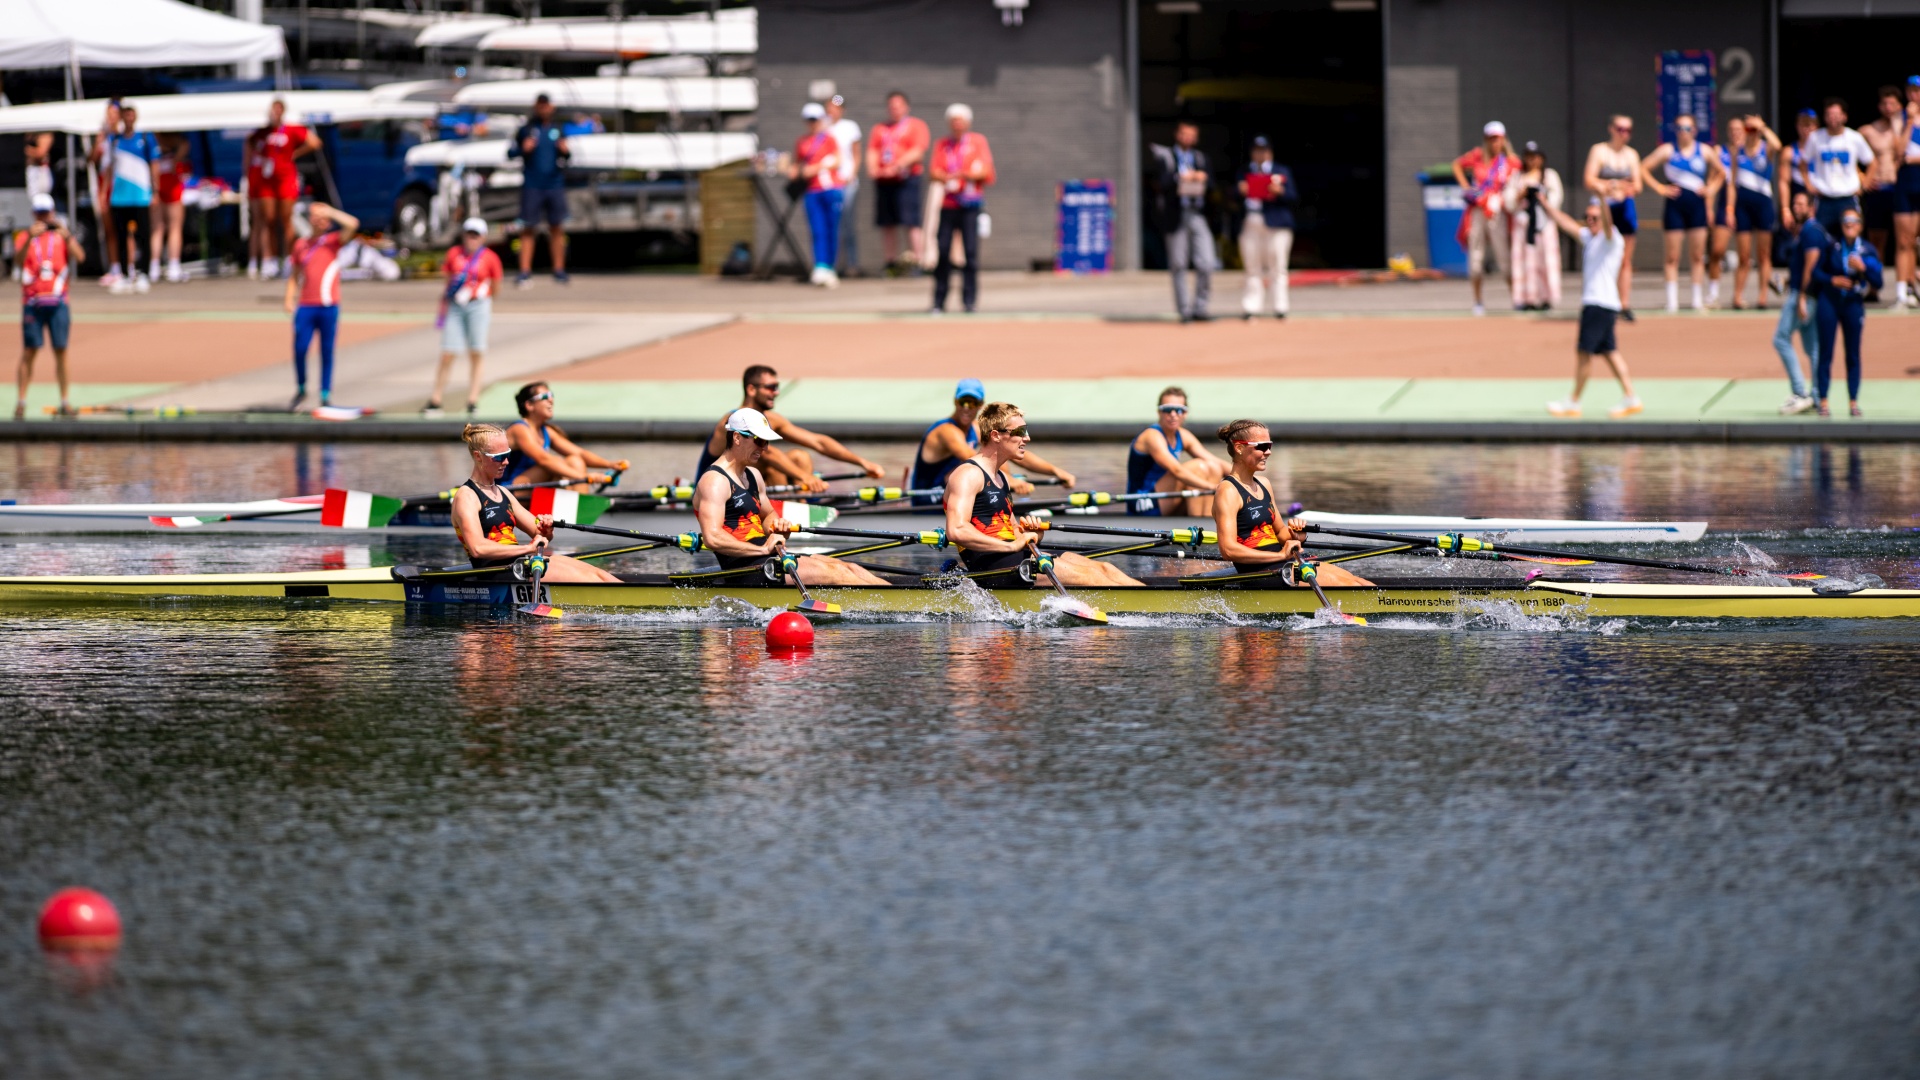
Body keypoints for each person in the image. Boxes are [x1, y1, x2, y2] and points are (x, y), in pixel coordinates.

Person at [943, 402, 1140, 587]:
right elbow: (957, 530)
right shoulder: (968, 474)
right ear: (996, 435)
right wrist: (1012, 547)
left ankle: (1159, 603)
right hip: (991, 565)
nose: (1026, 438)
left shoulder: (1001, 476)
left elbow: (1011, 529)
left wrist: (1032, 535)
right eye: (1020, 432)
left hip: (1012, 554)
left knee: (1105, 568)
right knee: (1092, 578)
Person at [693, 408, 891, 586]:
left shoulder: (753, 475)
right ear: (737, 438)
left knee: (848, 567)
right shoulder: (715, 481)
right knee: (835, 573)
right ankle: (894, 607)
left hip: (768, 558)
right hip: (745, 569)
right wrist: (762, 550)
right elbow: (712, 537)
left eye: (767, 441)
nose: (765, 448)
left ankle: (898, 598)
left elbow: (768, 514)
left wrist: (776, 526)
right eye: (759, 441)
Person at [451, 423, 619, 582]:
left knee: (601, 575)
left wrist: (546, 529)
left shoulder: (503, 492)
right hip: (497, 570)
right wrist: (528, 548)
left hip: (521, 563)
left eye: (508, 454)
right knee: (590, 580)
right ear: (478, 456)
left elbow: (541, 536)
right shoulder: (467, 496)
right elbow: (478, 548)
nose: (506, 462)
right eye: (499, 457)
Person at [1209, 419, 1369, 586]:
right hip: (1259, 572)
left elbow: (1280, 533)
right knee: (1352, 587)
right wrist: (1280, 555)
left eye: (1269, 446)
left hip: (1284, 562)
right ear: (1239, 448)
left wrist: (1297, 535)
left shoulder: (1264, 484)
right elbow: (1228, 550)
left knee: (1359, 582)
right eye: (1262, 446)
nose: (1268, 452)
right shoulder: (1227, 490)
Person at [696, 365, 885, 491]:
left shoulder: (772, 420)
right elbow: (768, 454)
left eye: (777, 387)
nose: (776, 393)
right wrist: (805, 477)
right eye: (770, 387)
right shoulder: (733, 421)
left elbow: (818, 442)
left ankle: (799, 509)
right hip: (715, 487)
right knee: (770, 462)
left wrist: (862, 463)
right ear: (752, 389)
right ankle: (787, 510)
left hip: (747, 484)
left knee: (800, 456)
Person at [1544, 198, 1640, 419]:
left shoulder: (1611, 238)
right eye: (1587, 217)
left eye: (1594, 217)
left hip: (1599, 304)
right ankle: (1631, 397)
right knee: (1610, 352)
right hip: (1602, 305)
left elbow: (1606, 221)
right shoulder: (1590, 238)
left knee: (1583, 352)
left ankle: (1574, 401)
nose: (1590, 221)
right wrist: (1546, 205)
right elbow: (1567, 224)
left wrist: (1601, 193)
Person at [908, 378, 1076, 504]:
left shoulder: (975, 428)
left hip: (956, 497)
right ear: (955, 402)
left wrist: (1055, 471)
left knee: (1001, 446)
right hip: (927, 502)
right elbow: (974, 459)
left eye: (973, 403)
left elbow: (1010, 449)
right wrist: (1009, 480)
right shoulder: (946, 431)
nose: (967, 407)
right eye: (963, 402)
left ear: (980, 405)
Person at [1640, 113, 1722, 312]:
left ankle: (1696, 299)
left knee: (1697, 255)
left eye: (1687, 129)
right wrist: (1660, 188)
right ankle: (1672, 301)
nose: (1683, 133)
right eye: (1679, 128)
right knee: (1672, 256)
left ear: (1694, 131)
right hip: (1674, 206)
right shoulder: (1668, 150)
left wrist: (1711, 188)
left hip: (1697, 207)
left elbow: (1722, 172)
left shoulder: (1704, 151)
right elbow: (1643, 168)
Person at [1805, 208, 1882, 418]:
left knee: (1853, 354)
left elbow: (1879, 281)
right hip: (1829, 302)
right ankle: (1823, 401)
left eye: (1854, 220)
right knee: (1825, 352)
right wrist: (1833, 280)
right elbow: (1816, 272)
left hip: (1853, 304)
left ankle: (1854, 402)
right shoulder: (1832, 246)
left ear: (1860, 225)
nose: (1849, 224)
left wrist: (1863, 268)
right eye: (1846, 220)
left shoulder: (1867, 250)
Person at [283, 202, 359, 412]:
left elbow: (353, 224)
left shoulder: (333, 241)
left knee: (327, 350)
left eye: (323, 217)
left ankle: (325, 393)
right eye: (316, 216)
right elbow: (294, 275)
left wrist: (331, 212)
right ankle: (301, 388)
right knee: (300, 348)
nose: (320, 220)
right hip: (306, 305)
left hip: (328, 305)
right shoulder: (301, 245)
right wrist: (289, 298)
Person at [426, 217, 504, 417]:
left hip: (478, 305)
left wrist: (482, 297)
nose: (471, 238)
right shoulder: (454, 254)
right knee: (448, 353)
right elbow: (447, 280)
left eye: (475, 235)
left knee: (476, 352)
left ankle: (472, 400)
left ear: (483, 237)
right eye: (469, 234)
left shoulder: (490, 257)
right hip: (456, 306)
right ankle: (436, 399)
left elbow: (496, 285)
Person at [15, 194, 82, 421]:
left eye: (47, 213)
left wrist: (68, 236)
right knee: (29, 352)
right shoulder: (25, 236)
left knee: (61, 350)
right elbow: (17, 262)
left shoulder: (61, 237)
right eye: (40, 213)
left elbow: (80, 257)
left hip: (59, 301)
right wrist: (27, 240)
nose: (44, 218)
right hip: (33, 302)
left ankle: (65, 401)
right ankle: (21, 402)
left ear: (53, 213)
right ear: (34, 214)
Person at [928, 103, 995, 314]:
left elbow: (986, 171)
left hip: (970, 204)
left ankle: (969, 301)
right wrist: (946, 176)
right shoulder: (943, 144)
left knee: (971, 253)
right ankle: (939, 301)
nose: (957, 124)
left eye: (961, 119)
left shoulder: (977, 142)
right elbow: (933, 171)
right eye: (953, 120)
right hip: (948, 205)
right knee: (944, 251)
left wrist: (965, 174)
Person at [503, 381, 630, 487]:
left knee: (575, 460)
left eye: (551, 395)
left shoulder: (546, 431)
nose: (551, 400)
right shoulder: (519, 429)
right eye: (545, 397)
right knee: (554, 464)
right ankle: (576, 504)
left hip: (532, 487)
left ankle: (578, 507)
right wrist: (585, 477)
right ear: (529, 405)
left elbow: (580, 453)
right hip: (509, 491)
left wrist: (610, 464)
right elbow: (544, 460)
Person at [1150, 121, 1216, 322]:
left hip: (1197, 213)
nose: (1188, 138)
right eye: (1184, 134)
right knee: (1178, 263)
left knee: (1207, 262)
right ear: (1177, 134)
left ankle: (1200, 307)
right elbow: (1159, 183)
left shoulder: (1200, 158)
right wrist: (1181, 177)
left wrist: (1201, 178)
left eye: (1192, 135)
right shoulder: (1166, 157)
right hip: (1175, 215)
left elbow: (1213, 185)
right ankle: (1184, 310)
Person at [1126, 387, 1227, 516]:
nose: (1173, 414)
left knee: (1214, 467)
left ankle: (1207, 523)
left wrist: (1251, 479)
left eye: (1179, 410)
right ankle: (1199, 525)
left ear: (1185, 413)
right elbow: (1176, 470)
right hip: (1142, 504)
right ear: (1159, 412)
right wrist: (1213, 487)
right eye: (1167, 410)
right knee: (1198, 467)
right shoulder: (1152, 436)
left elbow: (1215, 461)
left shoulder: (1183, 435)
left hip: (1165, 500)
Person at [1453, 121, 1518, 316]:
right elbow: (1456, 165)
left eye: (1497, 138)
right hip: (1477, 211)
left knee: (1504, 258)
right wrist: (1466, 187)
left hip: (1497, 213)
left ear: (1504, 139)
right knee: (1476, 259)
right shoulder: (1477, 156)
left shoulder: (1510, 161)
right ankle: (1478, 301)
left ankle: (1516, 298)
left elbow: (1518, 181)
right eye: (1491, 138)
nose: (1495, 142)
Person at [1772, 190, 1825, 415]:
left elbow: (1811, 266)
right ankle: (1815, 394)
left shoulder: (1812, 232)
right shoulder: (1804, 232)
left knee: (1781, 339)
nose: (1796, 207)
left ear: (1811, 208)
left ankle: (1800, 392)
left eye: (1801, 204)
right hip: (1805, 294)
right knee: (1812, 347)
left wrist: (1802, 296)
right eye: (1794, 203)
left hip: (1803, 296)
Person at [1584, 115, 1643, 318]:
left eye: (1627, 130)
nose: (1623, 133)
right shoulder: (1599, 151)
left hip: (1624, 208)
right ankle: (1599, 301)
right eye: (1620, 128)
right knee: (1599, 255)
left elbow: (1637, 185)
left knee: (1625, 259)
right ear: (1611, 129)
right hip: (1603, 208)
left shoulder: (1632, 155)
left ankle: (1623, 305)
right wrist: (1610, 186)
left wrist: (1623, 188)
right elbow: (1589, 179)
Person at [511, 94, 571, 288]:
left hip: (554, 183)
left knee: (556, 227)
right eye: (541, 105)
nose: (544, 108)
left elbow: (567, 156)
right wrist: (523, 148)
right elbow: (511, 152)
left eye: (547, 105)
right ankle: (525, 271)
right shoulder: (527, 129)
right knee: (528, 228)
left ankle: (559, 270)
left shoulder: (557, 128)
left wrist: (565, 150)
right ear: (536, 107)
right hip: (532, 184)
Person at [867, 90, 929, 274]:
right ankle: (891, 263)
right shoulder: (880, 128)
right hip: (885, 181)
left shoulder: (916, 126)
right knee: (887, 223)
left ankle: (918, 260)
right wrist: (873, 169)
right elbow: (873, 151)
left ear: (906, 107)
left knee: (911, 221)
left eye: (898, 105)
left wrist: (897, 165)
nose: (894, 109)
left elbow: (918, 151)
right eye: (891, 106)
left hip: (907, 179)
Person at [258, 99, 320, 279]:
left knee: (286, 220)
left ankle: (289, 259)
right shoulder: (264, 132)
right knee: (269, 220)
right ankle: (270, 260)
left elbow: (314, 142)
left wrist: (295, 153)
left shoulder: (290, 129)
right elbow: (250, 143)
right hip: (268, 180)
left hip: (286, 179)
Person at [1725, 114, 1781, 309]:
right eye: (1748, 129)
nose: (1751, 133)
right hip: (1743, 206)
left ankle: (1763, 296)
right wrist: (1730, 209)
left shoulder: (1766, 149)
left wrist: (1763, 127)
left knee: (1764, 254)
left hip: (1763, 203)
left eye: (1753, 130)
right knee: (1744, 255)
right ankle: (1738, 296)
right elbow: (1732, 183)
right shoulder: (1737, 152)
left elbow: (1778, 145)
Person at [1237, 135, 1296, 319]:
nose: (1260, 154)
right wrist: (1239, 191)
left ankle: (1280, 307)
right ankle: (1251, 307)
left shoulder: (1281, 170)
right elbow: (1231, 198)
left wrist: (1281, 191)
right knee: (1252, 266)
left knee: (1278, 266)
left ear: (1269, 152)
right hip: (1252, 221)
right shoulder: (1244, 171)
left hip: (1276, 223)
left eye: (1263, 150)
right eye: (1256, 150)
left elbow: (1293, 197)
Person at [789, 103, 845, 288]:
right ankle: (820, 266)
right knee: (817, 230)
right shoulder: (801, 141)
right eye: (809, 120)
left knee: (831, 230)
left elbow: (837, 160)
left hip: (831, 188)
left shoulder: (829, 139)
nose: (812, 123)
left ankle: (830, 267)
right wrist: (794, 171)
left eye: (815, 119)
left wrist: (816, 167)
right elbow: (796, 166)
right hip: (812, 191)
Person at [104, 103, 158, 295]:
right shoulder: (114, 140)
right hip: (119, 197)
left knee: (143, 236)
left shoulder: (145, 138)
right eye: (125, 115)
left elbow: (154, 164)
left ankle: (143, 273)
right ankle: (126, 274)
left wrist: (155, 191)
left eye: (131, 115)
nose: (128, 118)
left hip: (141, 196)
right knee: (120, 237)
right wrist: (105, 192)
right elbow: (108, 168)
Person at [1503, 141, 1563, 311]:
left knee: (1546, 261)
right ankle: (1526, 298)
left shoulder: (1549, 176)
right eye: (1528, 157)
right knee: (1524, 263)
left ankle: (1546, 297)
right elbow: (1508, 202)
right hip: (1523, 225)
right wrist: (1520, 195)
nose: (1532, 161)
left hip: (1543, 225)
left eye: (1535, 157)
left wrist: (1542, 198)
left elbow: (1556, 200)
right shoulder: (1517, 176)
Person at [1860, 86, 1907, 294]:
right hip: (1879, 188)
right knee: (1876, 241)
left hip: (1901, 187)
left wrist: (1900, 127)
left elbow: (1902, 153)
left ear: (1899, 106)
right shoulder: (1869, 130)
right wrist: (1862, 178)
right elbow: (1848, 149)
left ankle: (1907, 286)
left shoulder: (1907, 129)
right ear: (1880, 106)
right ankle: (1873, 287)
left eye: (1893, 104)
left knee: (1907, 240)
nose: (1889, 108)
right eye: (1885, 104)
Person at [1805, 98, 1873, 234]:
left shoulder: (1854, 137)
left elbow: (1871, 161)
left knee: (1850, 238)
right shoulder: (1815, 137)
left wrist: (1865, 185)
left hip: (1848, 198)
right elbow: (1803, 162)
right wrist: (1809, 184)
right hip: (1824, 199)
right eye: (1829, 114)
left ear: (1844, 116)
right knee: (1820, 238)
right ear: (1824, 117)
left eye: (1836, 114)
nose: (1833, 118)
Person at [825, 94, 863, 276]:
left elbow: (856, 154)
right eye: (829, 107)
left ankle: (852, 264)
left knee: (847, 224)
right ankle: (833, 264)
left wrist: (851, 175)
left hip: (846, 183)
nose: (832, 111)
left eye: (835, 107)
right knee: (832, 225)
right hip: (829, 183)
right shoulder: (823, 128)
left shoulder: (849, 127)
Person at [149, 132, 189, 284]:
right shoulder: (166, 139)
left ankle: (156, 266)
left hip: (160, 181)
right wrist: (175, 161)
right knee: (173, 227)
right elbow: (185, 145)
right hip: (168, 180)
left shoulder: (152, 139)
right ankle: (171, 266)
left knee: (158, 228)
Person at [88, 101, 121, 288]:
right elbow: (93, 160)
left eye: (114, 113)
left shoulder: (122, 137)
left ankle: (129, 267)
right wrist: (98, 142)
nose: (111, 117)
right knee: (110, 230)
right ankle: (114, 267)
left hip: (122, 186)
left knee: (126, 229)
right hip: (106, 187)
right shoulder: (105, 137)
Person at [1894, 77, 1920, 308]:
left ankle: (1915, 283)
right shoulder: (1902, 118)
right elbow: (1898, 150)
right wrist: (1910, 121)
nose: (1914, 95)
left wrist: (1916, 159)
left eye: (1918, 91)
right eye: (1911, 91)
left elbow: (1909, 156)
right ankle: (1903, 292)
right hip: (1905, 184)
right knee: (1904, 240)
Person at [243, 126, 270, 279]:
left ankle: (266, 260)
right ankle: (253, 261)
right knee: (257, 223)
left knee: (265, 222)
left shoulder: (272, 137)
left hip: (267, 181)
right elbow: (246, 163)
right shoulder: (252, 139)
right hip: (256, 181)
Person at [24, 132, 55, 204]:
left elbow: (41, 153)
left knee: (42, 199)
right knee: (32, 199)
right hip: (32, 170)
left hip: (41, 171)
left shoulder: (45, 134)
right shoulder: (31, 134)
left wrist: (28, 150)